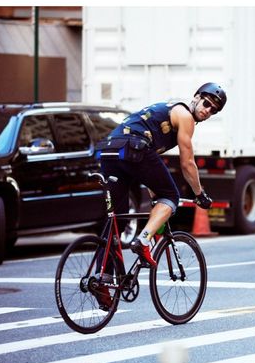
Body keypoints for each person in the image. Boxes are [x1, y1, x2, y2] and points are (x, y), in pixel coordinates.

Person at [93, 83, 227, 309]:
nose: (207, 110)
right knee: (172, 197)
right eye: (206, 103)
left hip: (108, 150)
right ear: (195, 97)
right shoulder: (184, 115)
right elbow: (187, 162)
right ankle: (143, 240)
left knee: (116, 219)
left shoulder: (165, 112)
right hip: (133, 147)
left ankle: (102, 280)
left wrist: (156, 197)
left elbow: (147, 169)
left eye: (213, 110)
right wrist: (199, 194)